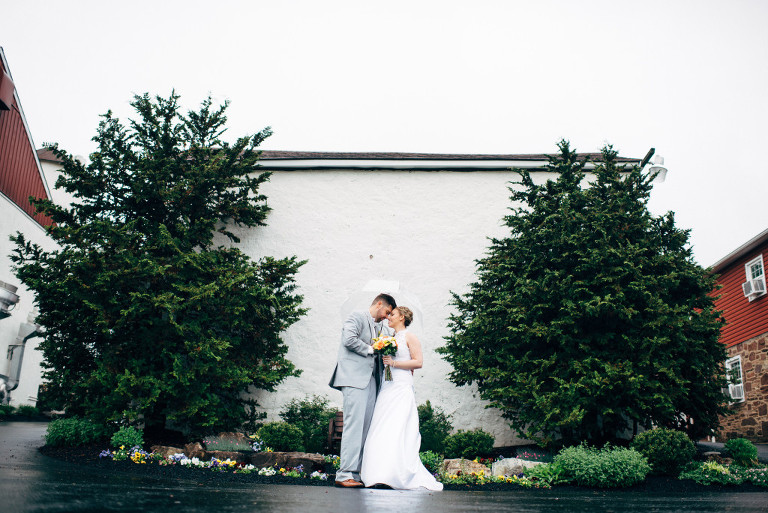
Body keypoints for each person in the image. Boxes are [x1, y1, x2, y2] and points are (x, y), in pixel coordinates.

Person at [360, 306, 443, 491]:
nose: (389, 317)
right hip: (387, 387)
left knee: (397, 429)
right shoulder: (389, 339)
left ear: (402, 317)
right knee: (381, 427)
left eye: (393, 314)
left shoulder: (409, 337)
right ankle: (377, 474)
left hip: (401, 387)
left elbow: (418, 362)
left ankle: (395, 474)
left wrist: (394, 363)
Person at [329, 293, 396, 488]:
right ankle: (344, 474)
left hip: (372, 380)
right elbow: (349, 340)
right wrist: (373, 349)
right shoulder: (356, 316)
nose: (387, 316)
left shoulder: (381, 327)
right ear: (380, 303)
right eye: (387, 312)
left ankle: (356, 474)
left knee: (366, 428)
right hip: (354, 378)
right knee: (354, 425)